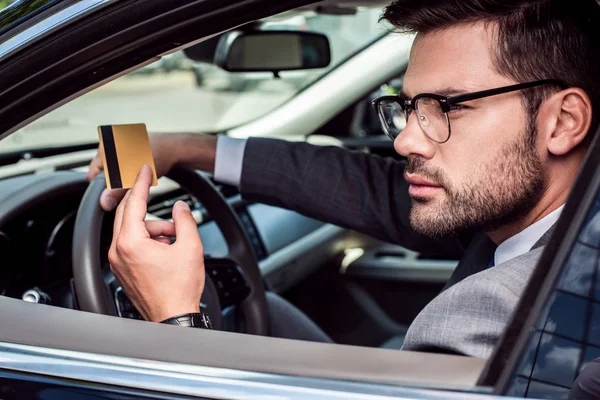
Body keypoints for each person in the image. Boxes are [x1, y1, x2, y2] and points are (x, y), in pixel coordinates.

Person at [87, 0, 600, 359]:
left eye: (447, 107)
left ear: (563, 122)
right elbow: (369, 188)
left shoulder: (489, 317)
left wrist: (176, 322)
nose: (405, 142)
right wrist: (190, 148)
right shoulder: (554, 216)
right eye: (408, 108)